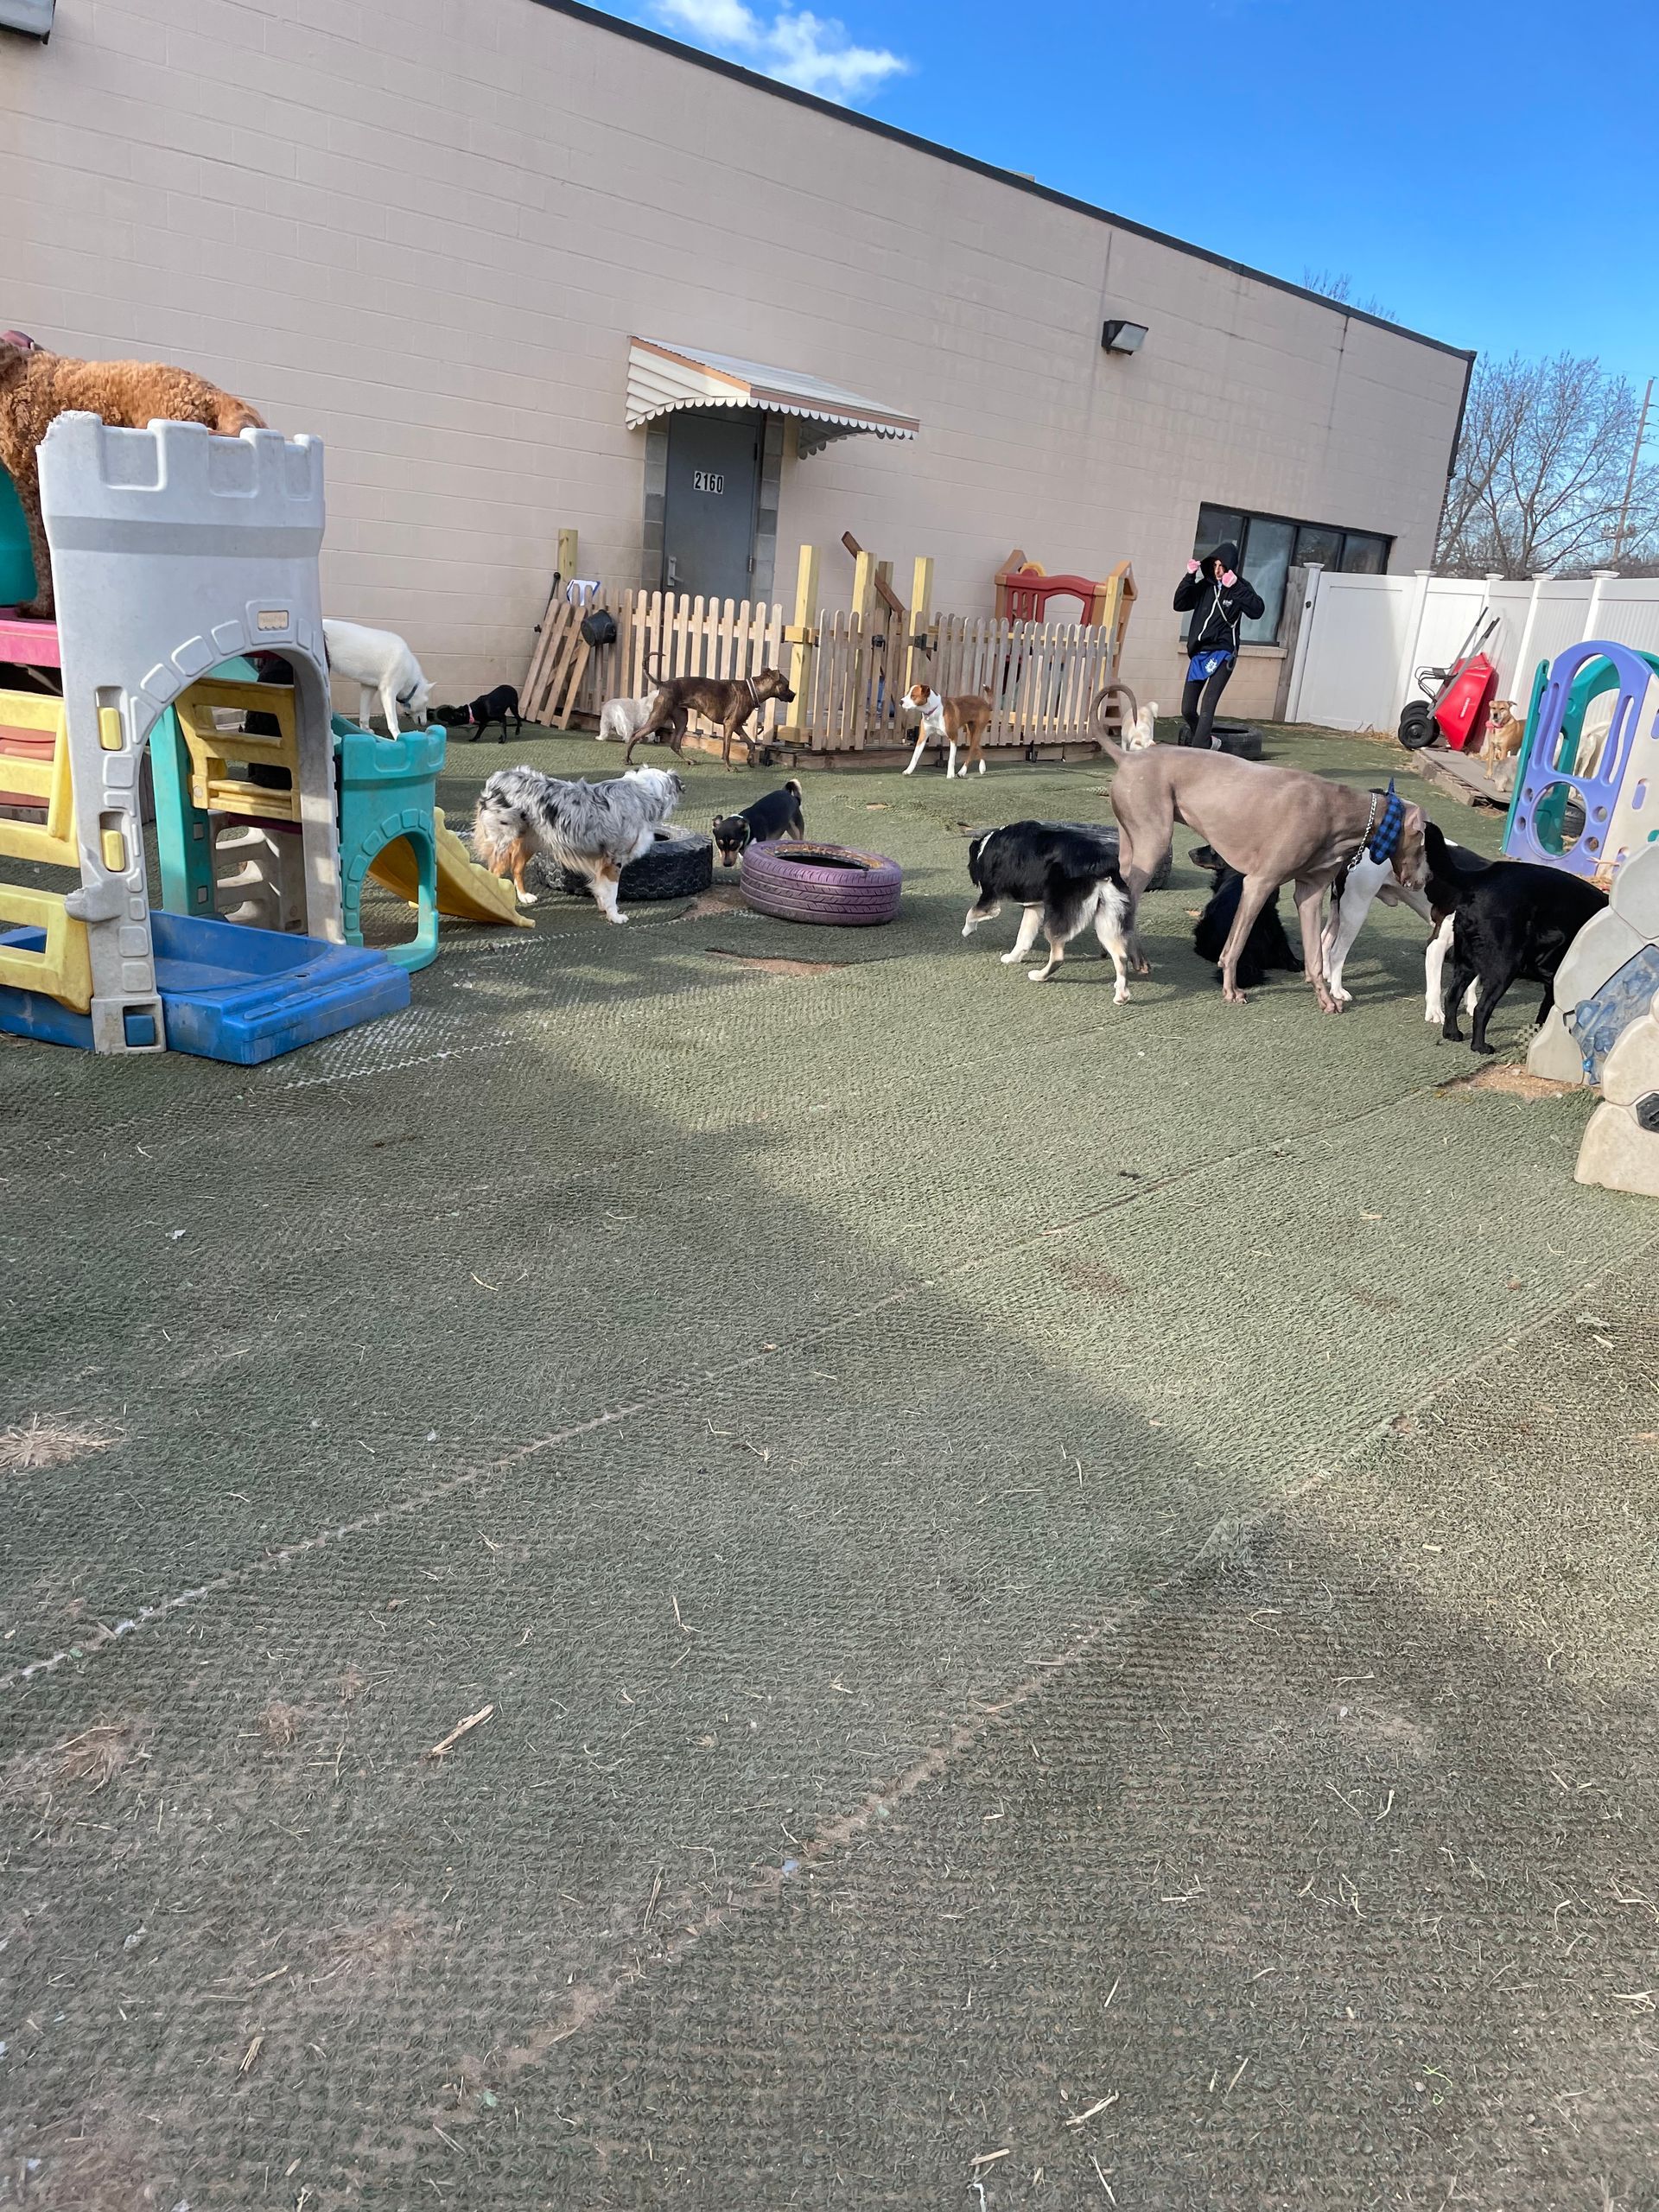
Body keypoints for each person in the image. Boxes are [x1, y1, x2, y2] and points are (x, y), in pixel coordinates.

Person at [1172, 540, 1263, 749]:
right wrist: (1189, 576)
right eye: (1214, 565)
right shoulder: (1205, 587)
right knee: (1187, 709)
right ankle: (1208, 742)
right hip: (1199, 654)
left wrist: (1237, 587)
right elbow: (1179, 604)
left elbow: (1257, 611)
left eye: (1222, 566)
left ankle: (1198, 753)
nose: (1218, 570)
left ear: (1230, 566)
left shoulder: (1240, 587)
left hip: (1223, 653)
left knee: (1207, 706)